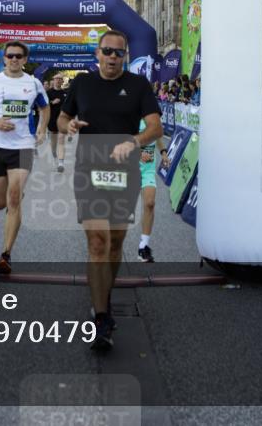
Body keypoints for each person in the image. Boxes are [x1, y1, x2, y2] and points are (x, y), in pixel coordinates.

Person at [58, 30, 161, 351]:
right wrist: (70, 126)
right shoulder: (82, 84)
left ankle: (104, 291)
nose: (113, 57)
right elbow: (61, 119)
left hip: (124, 172)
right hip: (88, 169)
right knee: (98, 242)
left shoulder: (138, 86)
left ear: (125, 56)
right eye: (107, 51)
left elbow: (155, 127)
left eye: (119, 52)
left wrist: (134, 141)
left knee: (115, 242)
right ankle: (101, 317)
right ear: (97, 54)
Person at [0, 41, 48, 274]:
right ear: (4, 58)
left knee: (13, 199)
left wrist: (42, 129)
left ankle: (6, 253)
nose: (14, 59)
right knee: (0, 203)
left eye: (18, 56)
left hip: (23, 146)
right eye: (10, 55)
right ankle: (13, 198)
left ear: (25, 59)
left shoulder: (33, 83)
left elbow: (45, 108)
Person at [137, 118, 170, 263]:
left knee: (150, 203)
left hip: (147, 170)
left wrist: (163, 152)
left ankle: (143, 246)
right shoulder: (130, 111)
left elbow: (157, 136)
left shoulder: (152, 115)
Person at [46, 74, 68, 172]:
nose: (58, 81)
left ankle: (61, 163)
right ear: (53, 81)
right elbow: (43, 107)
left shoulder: (65, 93)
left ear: (62, 82)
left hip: (62, 121)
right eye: (57, 79)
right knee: (54, 143)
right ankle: (55, 155)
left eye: (60, 79)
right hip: (52, 120)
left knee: (61, 140)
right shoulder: (48, 93)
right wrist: (52, 102)